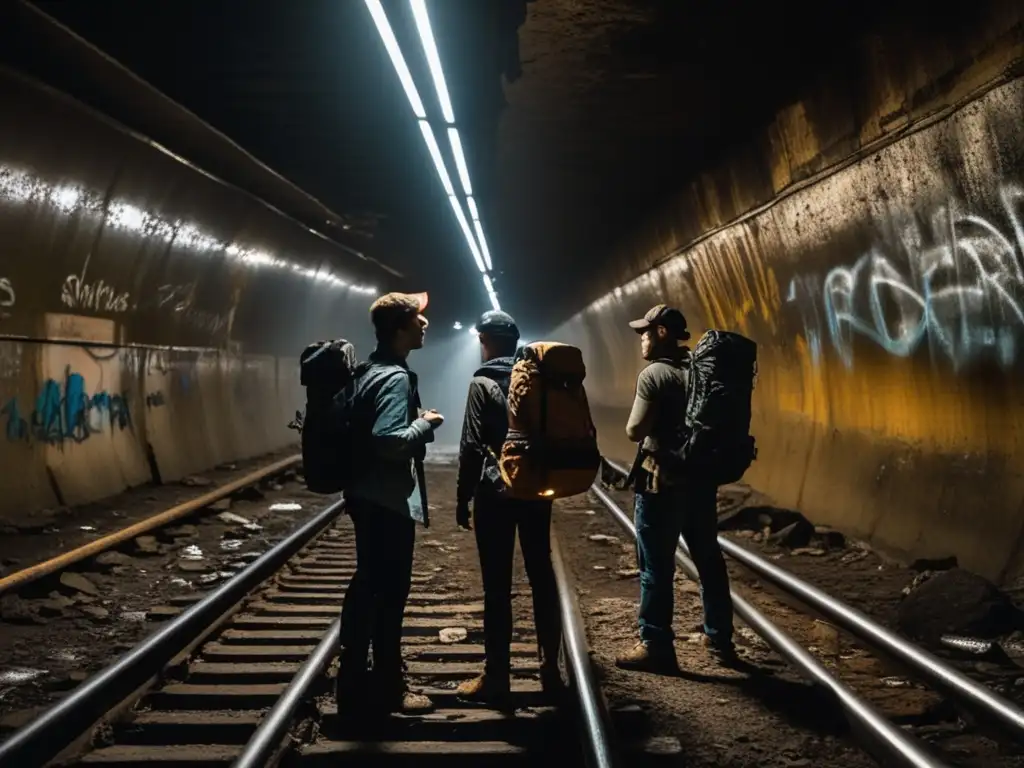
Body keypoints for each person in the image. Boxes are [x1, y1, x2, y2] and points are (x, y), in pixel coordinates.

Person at [336, 291, 444, 715]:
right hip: (387, 501)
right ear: (399, 328)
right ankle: (386, 684)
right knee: (388, 593)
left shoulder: (366, 371)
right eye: (418, 319)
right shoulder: (395, 378)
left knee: (368, 586)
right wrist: (426, 423)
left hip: (366, 495)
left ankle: (354, 681)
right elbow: (388, 441)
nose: (425, 324)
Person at [615, 304, 736, 673]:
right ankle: (719, 638)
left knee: (656, 566)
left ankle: (655, 643)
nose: (642, 340)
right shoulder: (704, 372)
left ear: (662, 332)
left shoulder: (655, 374)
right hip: (701, 482)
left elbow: (635, 430)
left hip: (661, 484)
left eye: (646, 333)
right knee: (709, 559)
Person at [454, 310, 563, 705]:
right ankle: (550, 669)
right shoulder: (538, 377)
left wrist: (462, 498)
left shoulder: (482, 381)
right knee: (541, 576)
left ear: (484, 340)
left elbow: (470, 446)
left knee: (497, 587)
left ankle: (497, 676)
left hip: (494, 494)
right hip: (535, 489)